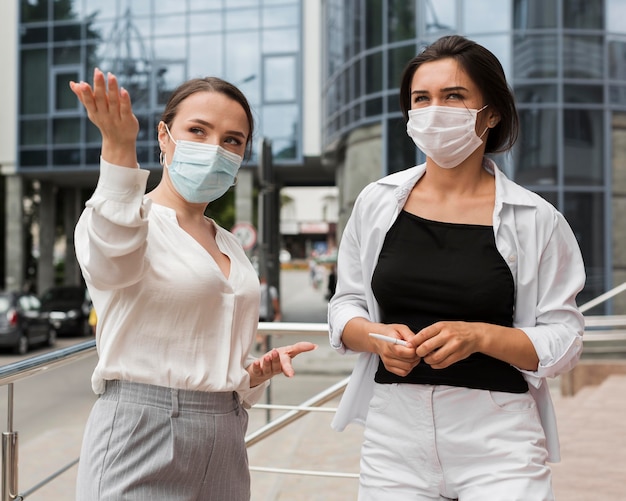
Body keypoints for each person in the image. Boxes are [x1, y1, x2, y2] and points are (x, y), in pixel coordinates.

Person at [328, 35, 585, 501]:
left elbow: (564, 339)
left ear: (491, 113)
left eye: (453, 96)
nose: (433, 110)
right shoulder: (376, 202)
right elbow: (345, 304)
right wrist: (376, 338)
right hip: (394, 438)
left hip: (498, 442)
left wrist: (480, 336)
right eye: (420, 99)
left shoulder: (538, 219)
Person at [69, 68, 316, 501]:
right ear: (164, 137)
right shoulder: (125, 220)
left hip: (225, 430)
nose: (214, 149)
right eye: (197, 131)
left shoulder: (229, 243)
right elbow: (112, 259)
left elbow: (203, 334)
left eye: (232, 140)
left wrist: (251, 373)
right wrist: (119, 147)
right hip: (140, 430)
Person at [257, 274, 281, 351]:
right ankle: (263, 344)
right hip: (266, 313)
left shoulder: (256, 288)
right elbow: (275, 302)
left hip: (257, 312)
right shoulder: (271, 289)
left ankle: (259, 340)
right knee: (266, 330)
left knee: (258, 328)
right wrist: (277, 312)